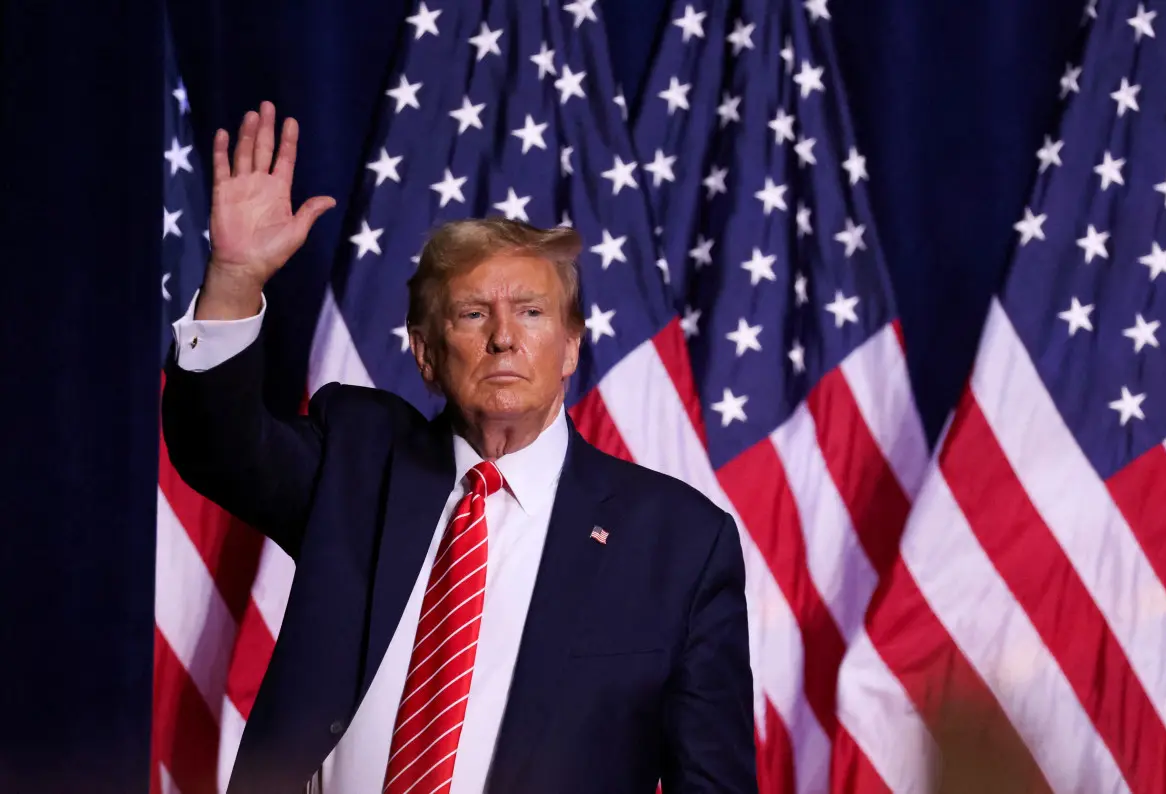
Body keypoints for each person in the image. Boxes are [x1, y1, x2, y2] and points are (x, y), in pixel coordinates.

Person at [161, 101, 756, 794]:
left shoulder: (679, 541)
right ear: (426, 355)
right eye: (473, 315)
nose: (504, 337)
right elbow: (217, 448)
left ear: (569, 348)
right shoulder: (357, 460)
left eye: (531, 313)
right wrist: (235, 280)